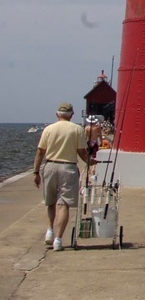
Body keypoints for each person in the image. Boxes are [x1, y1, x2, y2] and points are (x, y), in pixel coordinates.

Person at [32, 102, 90, 252]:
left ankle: (49, 231)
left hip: (50, 166)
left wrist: (36, 172)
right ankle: (58, 240)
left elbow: (40, 151)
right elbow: (82, 153)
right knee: (63, 204)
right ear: (72, 114)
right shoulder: (77, 129)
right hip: (68, 167)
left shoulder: (48, 129)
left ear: (57, 114)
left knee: (50, 201)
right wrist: (91, 162)